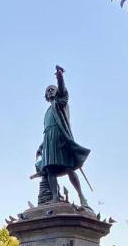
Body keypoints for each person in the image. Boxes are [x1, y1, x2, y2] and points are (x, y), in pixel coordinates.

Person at [35, 65, 91, 207]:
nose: (50, 91)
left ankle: (81, 197)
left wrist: (60, 77)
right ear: (45, 96)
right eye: (47, 90)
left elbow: (62, 90)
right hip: (49, 142)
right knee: (50, 170)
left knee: (69, 168)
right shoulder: (47, 112)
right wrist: (41, 146)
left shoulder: (60, 103)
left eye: (52, 89)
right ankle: (54, 197)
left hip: (61, 139)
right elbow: (47, 130)